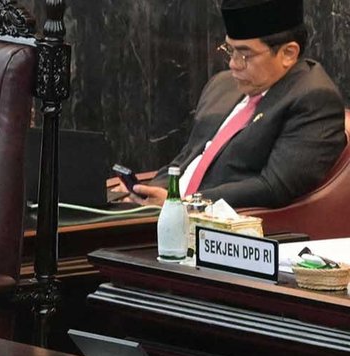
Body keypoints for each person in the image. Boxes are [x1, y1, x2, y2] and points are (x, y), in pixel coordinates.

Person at [132, 0, 346, 209]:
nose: (233, 64)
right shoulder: (223, 85)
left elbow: (274, 186)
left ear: (288, 53)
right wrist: (148, 191)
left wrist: (182, 202)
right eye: (230, 50)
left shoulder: (314, 98)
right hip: (165, 212)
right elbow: (189, 157)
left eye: (245, 54)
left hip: (221, 228)